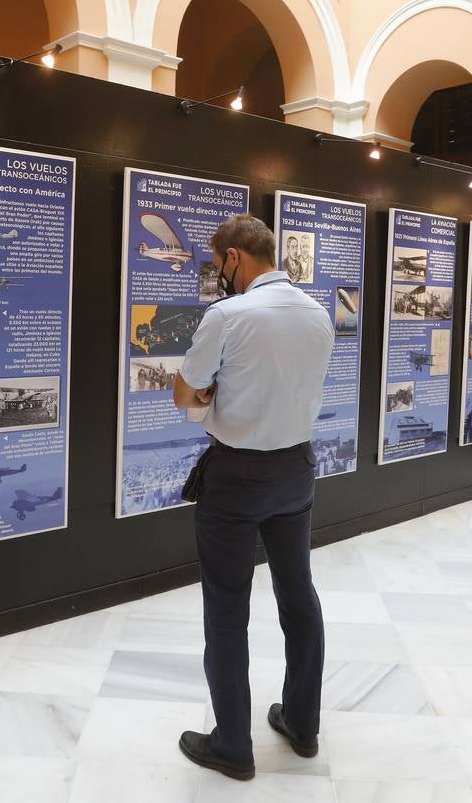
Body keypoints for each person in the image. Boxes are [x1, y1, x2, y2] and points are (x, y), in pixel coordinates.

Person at [171, 214, 334, 781]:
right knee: (298, 596)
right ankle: (303, 724)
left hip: (236, 478)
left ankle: (233, 747)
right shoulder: (318, 314)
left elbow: (183, 393)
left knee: (226, 605)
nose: (219, 274)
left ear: (235, 258)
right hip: (297, 472)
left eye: (219, 264)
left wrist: (212, 393)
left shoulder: (228, 314)